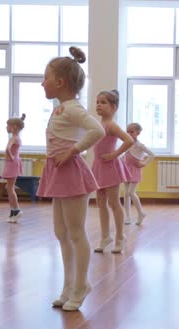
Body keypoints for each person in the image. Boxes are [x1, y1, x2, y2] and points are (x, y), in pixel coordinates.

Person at [37, 46, 105, 311]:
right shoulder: (61, 109)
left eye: (46, 77)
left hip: (72, 173)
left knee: (76, 233)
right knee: (61, 232)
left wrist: (74, 150)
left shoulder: (73, 109)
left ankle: (81, 285)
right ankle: (68, 287)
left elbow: (96, 129)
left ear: (60, 82)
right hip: (58, 172)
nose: (42, 82)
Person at [92, 90, 134, 254]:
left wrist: (115, 154)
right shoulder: (99, 124)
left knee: (114, 203)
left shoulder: (111, 125)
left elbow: (129, 140)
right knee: (100, 203)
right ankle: (105, 237)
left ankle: (120, 237)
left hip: (110, 167)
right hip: (99, 166)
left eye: (103, 102)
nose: (98, 105)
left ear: (113, 107)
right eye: (97, 102)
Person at [122, 123, 154, 226]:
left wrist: (144, 164)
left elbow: (152, 154)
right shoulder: (126, 143)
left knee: (131, 192)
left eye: (131, 132)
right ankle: (127, 217)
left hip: (135, 170)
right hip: (126, 169)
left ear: (138, 133)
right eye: (127, 131)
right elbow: (124, 155)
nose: (129, 133)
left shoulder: (139, 145)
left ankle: (140, 213)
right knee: (126, 194)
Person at [2, 114, 26, 223]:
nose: (6, 127)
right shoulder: (16, 138)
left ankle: (16, 210)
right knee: (9, 187)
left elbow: (7, 149)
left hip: (11, 163)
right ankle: (13, 211)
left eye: (8, 125)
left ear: (14, 127)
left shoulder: (14, 138)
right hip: (13, 162)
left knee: (10, 188)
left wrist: (10, 157)